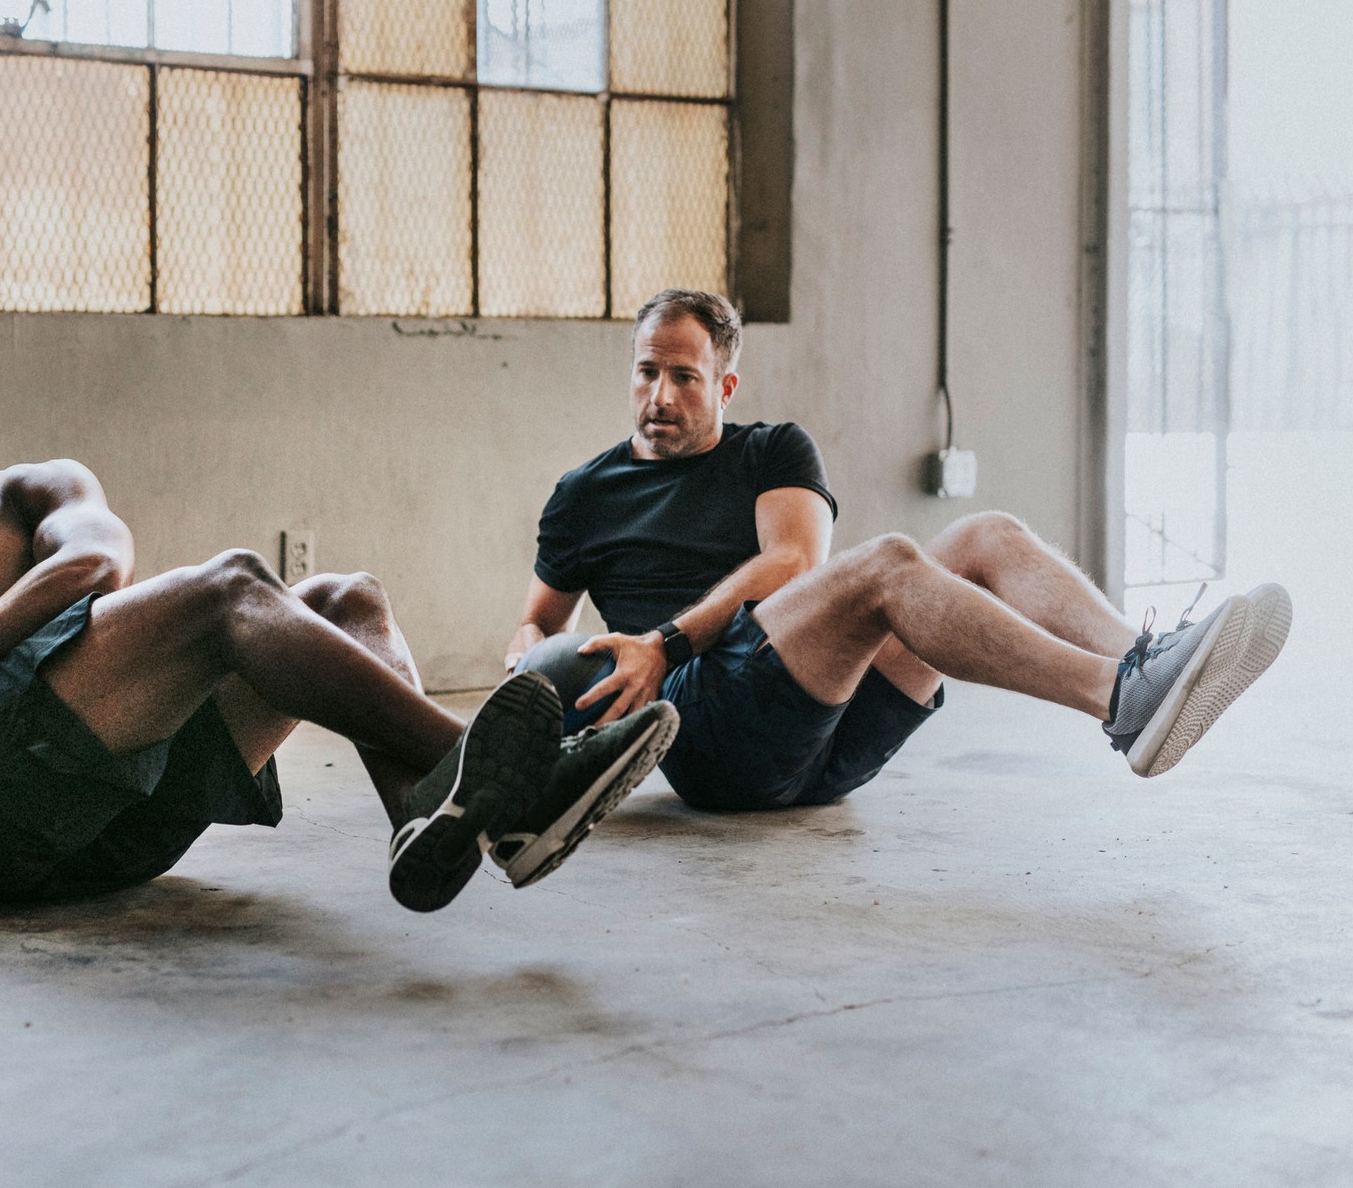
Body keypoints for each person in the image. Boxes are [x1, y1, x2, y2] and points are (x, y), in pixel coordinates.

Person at [0, 327, 676, 914]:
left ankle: (435, 813)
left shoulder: (36, 491)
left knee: (348, 598)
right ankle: (519, 788)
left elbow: (98, 563)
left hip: (121, 826)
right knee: (230, 586)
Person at [506, 289, 1290, 814]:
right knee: (888, 563)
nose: (661, 395)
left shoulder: (773, 451)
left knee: (987, 535)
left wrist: (663, 636)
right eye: (647, 372)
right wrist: (534, 672)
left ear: (726, 385)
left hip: (828, 737)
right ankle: (1120, 698)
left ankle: (1144, 666)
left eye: (684, 376)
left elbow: (791, 563)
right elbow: (534, 624)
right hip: (708, 736)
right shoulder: (585, 494)